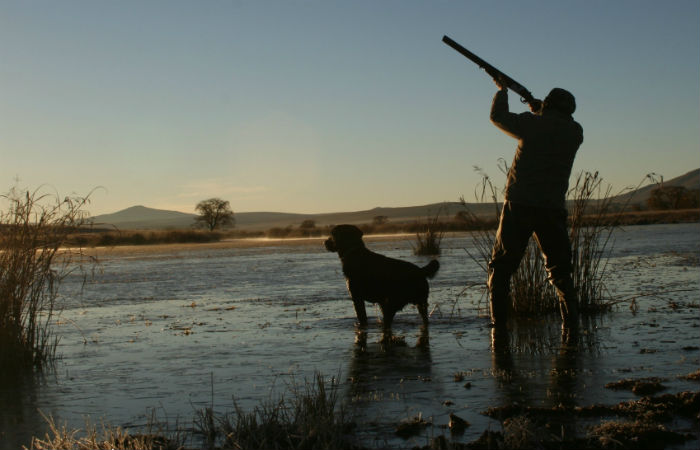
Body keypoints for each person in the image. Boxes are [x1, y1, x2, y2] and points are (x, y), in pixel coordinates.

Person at [487, 77, 583, 329]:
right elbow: (554, 124)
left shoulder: (531, 124)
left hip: (519, 205)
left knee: (501, 270)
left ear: (548, 105)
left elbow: (498, 117)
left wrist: (502, 90)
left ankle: (499, 331)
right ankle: (572, 329)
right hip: (552, 209)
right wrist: (539, 108)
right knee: (560, 271)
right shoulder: (575, 132)